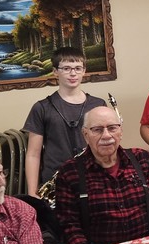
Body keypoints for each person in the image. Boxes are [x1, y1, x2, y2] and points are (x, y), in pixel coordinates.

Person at [54, 106, 149, 244]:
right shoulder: (70, 172)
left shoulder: (142, 159)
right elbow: (69, 225)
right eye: (97, 130)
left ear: (120, 131)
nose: (106, 136)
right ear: (85, 134)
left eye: (112, 128)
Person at [23, 47, 107, 197]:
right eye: (66, 68)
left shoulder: (98, 105)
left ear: (84, 71)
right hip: (56, 183)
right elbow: (33, 154)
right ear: (55, 71)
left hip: (94, 178)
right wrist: (32, 191)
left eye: (77, 68)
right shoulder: (41, 107)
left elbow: (107, 145)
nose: (73, 73)